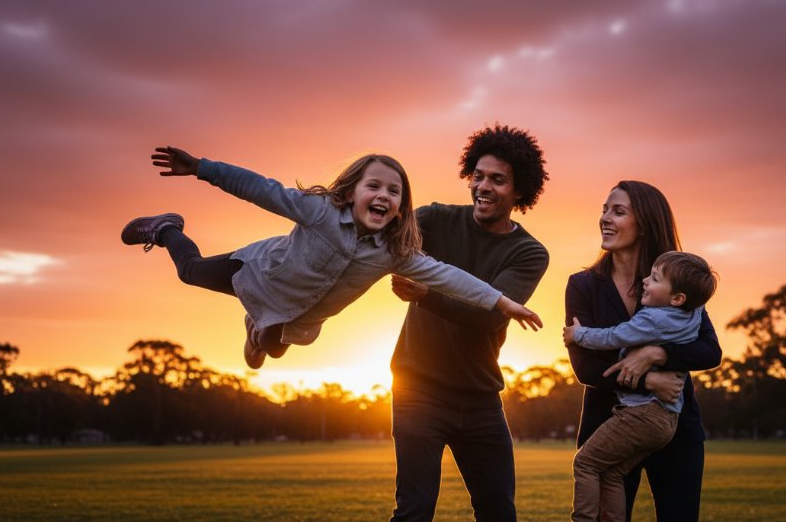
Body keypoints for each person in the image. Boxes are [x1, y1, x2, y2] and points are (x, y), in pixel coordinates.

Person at [120, 146, 542, 369]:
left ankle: (256, 331)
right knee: (191, 272)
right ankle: (166, 228)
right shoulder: (319, 212)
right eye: (374, 186)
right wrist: (201, 168)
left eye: (394, 192)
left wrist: (502, 302)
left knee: (277, 348)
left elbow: (448, 276)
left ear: (401, 206)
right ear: (352, 191)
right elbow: (261, 189)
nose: (383, 196)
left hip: (297, 314)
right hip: (260, 274)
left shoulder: (395, 253)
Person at [377, 124, 550, 522]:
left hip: (480, 401)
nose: (483, 186)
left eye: (497, 179)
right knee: (413, 514)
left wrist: (425, 295)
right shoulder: (434, 220)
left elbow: (488, 316)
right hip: (417, 391)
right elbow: (373, 233)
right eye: (478, 175)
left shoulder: (529, 253)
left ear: (519, 191)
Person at [564, 181, 722, 522]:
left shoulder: (679, 284)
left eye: (617, 211)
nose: (605, 217)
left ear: (646, 223)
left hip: (677, 428)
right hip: (610, 424)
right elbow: (584, 367)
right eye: (604, 208)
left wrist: (657, 353)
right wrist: (650, 382)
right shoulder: (582, 285)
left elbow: (710, 352)